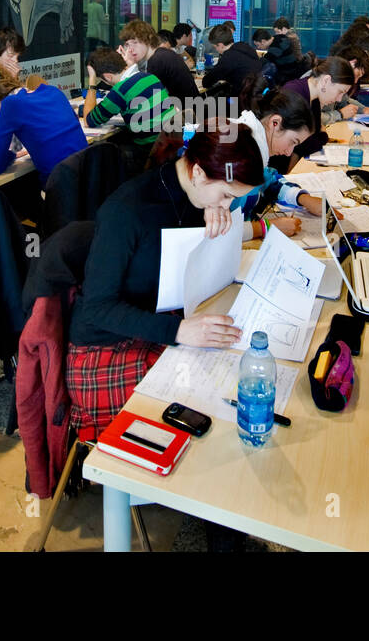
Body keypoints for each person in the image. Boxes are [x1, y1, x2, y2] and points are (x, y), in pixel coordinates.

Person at [67, 124, 264, 438]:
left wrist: (212, 232)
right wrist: (180, 330)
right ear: (198, 172)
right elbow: (97, 308)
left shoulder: (197, 196)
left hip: (158, 318)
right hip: (106, 344)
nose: (227, 205)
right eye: (227, 195)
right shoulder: (127, 210)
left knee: (223, 386)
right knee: (201, 415)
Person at [0, 65, 88, 185]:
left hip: (61, 188)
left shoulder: (10, 105)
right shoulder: (52, 90)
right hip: (89, 178)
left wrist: (10, 155)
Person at [231, 81, 324, 230]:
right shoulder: (237, 154)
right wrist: (265, 227)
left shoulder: (254, 141)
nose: (288, 152)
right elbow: (217, 230)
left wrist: (302, 198)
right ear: (275, 123)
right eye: (292, 142)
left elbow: (269, 181)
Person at [83, 46, 178, 161]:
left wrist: (92, 81)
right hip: (172, 144)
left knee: (107, 152)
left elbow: (89, 121)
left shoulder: (119, 91)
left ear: (108, 76)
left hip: (150, 152)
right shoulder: (150, 77)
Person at [283, 57, 356, 133]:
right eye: (340, 92)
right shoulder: (294, 95)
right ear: (326, 81)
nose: (339, 99)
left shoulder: (315, 99)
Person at [203, 23, 262, 95]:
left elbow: (206, 82)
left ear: (221, 45)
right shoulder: (244, 46)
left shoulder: (228, 57)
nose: (216, 50)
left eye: (215, 47)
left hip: (239, 101)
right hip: (257, 94)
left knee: (214, 102)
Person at [147, 28, 200, 102]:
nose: (171, 49)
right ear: (165, 42)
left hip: (182, 106)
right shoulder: (164, 56)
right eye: (170, 47)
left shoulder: (158, 57)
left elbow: (154, 91)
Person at [264, 17, 305, 83]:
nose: (276, 34)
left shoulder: (288, 38)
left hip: (293, 68)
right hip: (295, 66)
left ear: (284, 29)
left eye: (278, 32)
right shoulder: (292, 35)